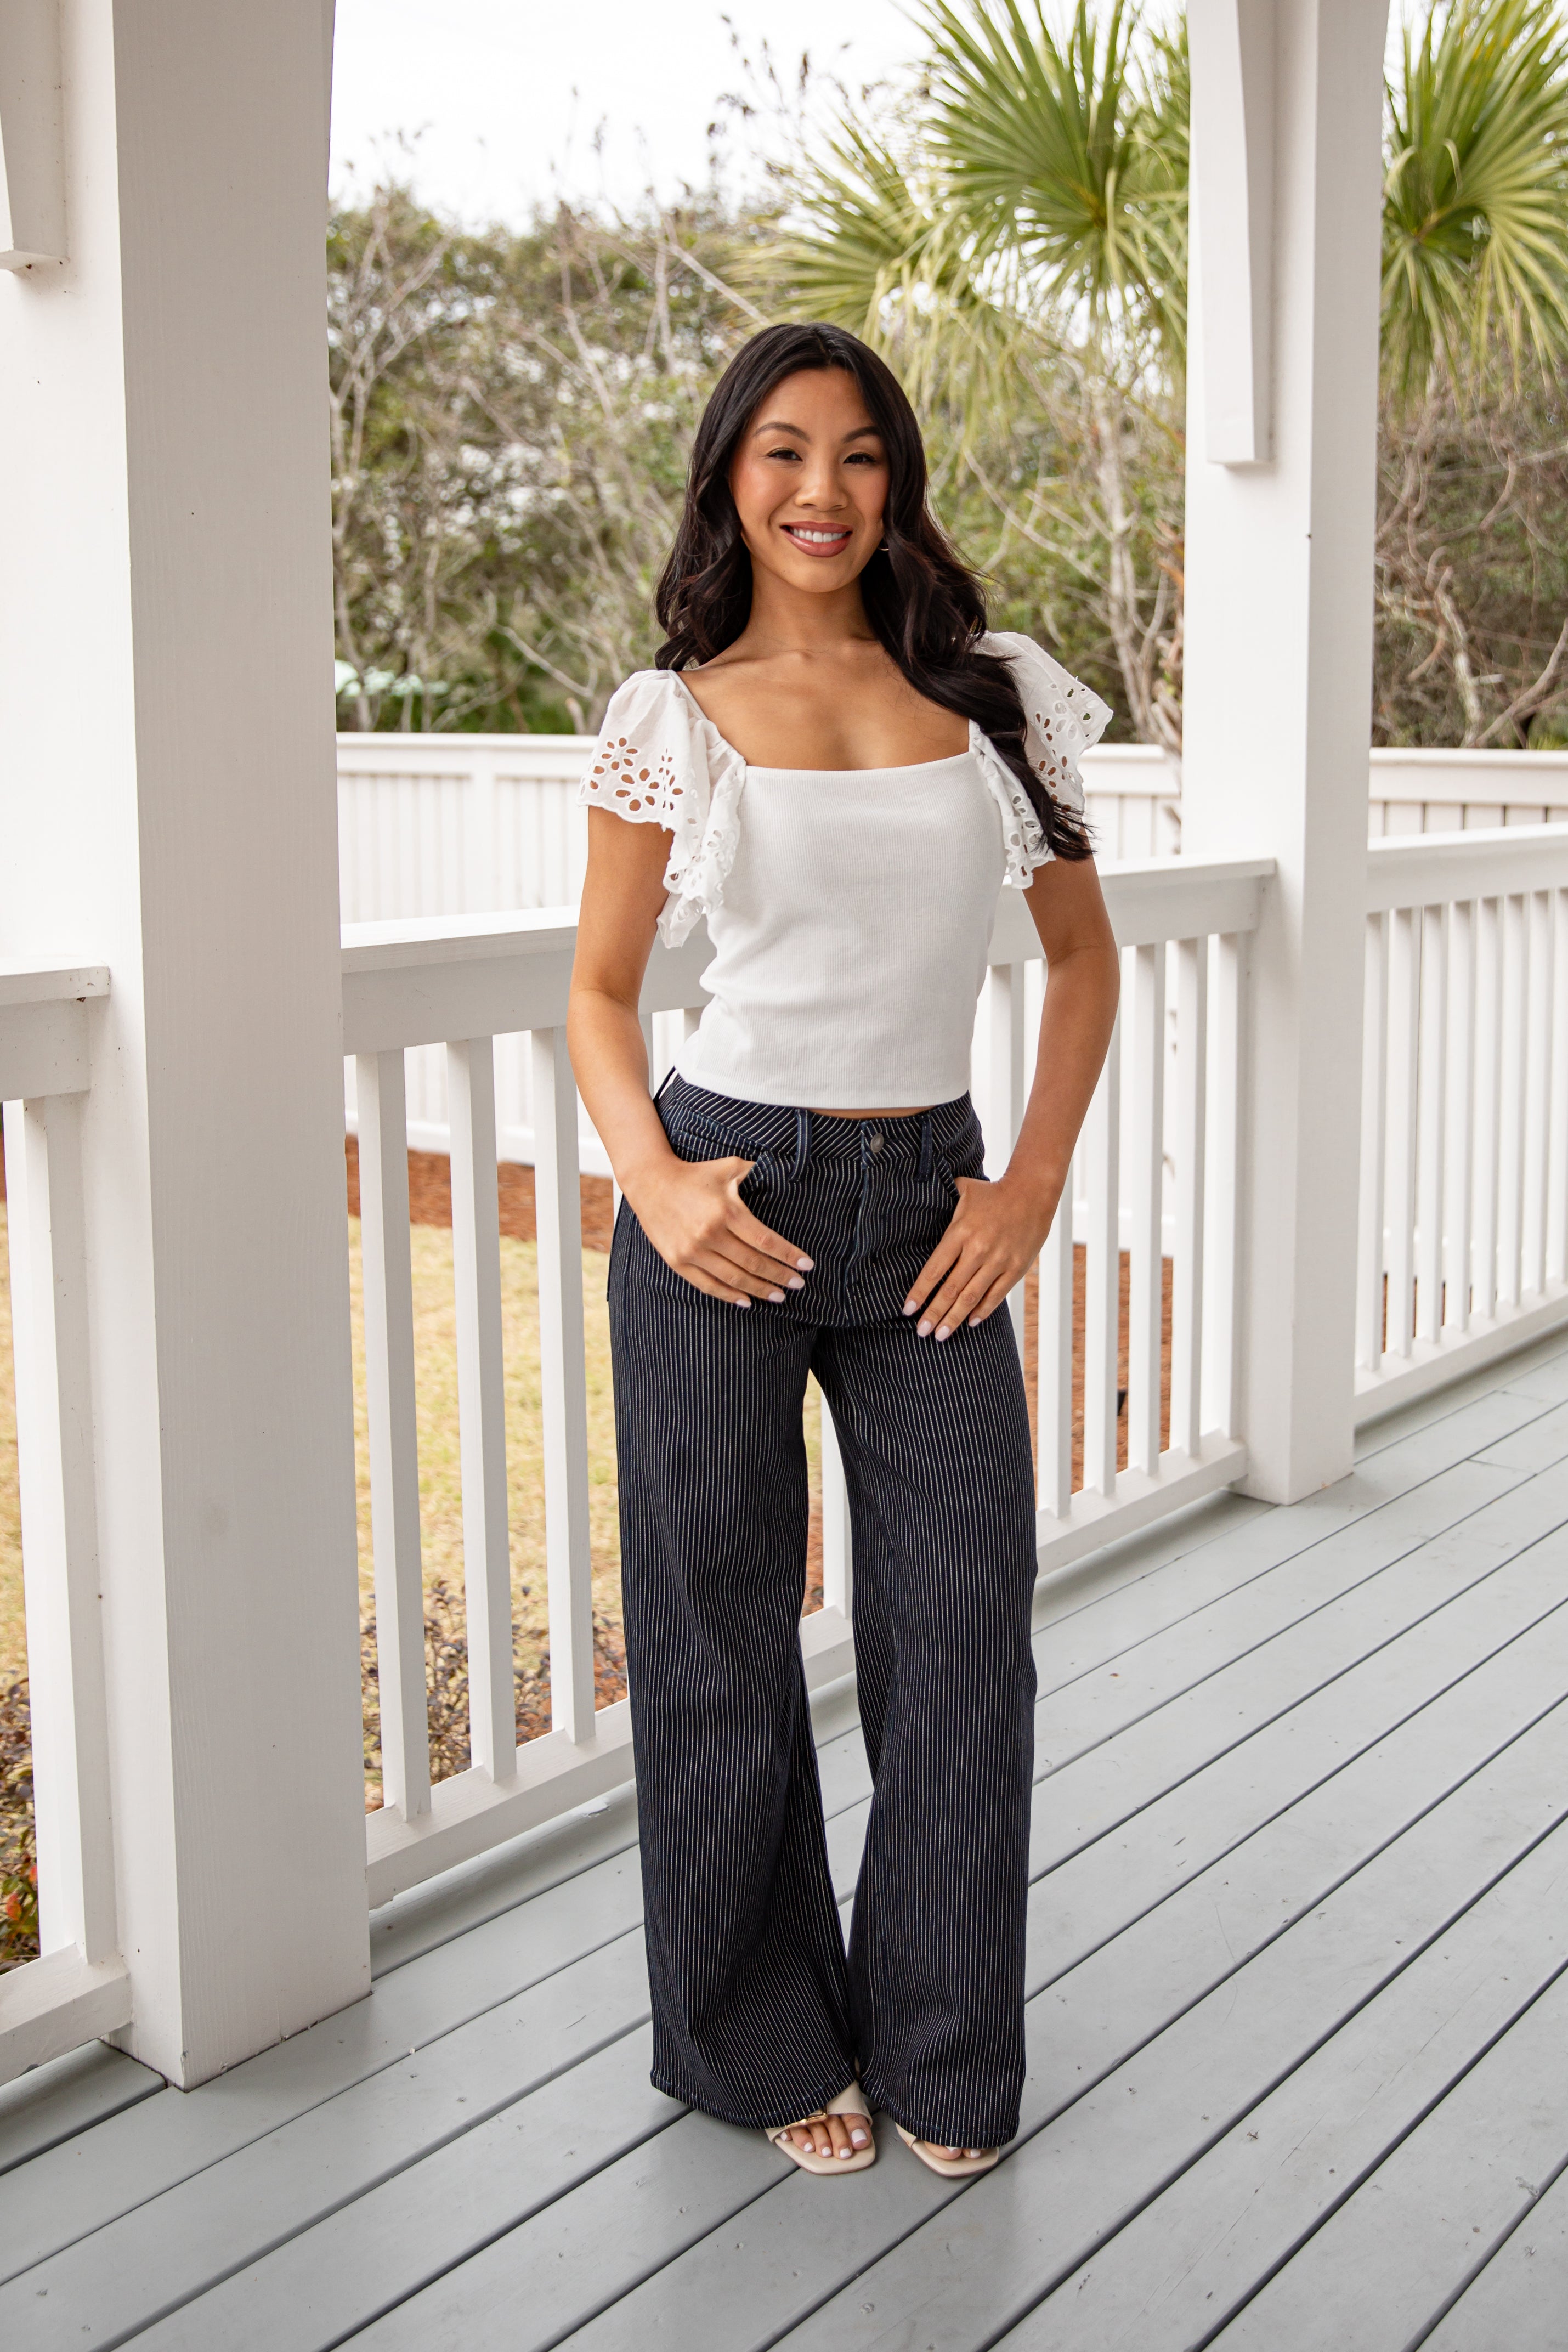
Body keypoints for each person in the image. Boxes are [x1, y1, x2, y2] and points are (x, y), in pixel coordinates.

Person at [566, 321, 1120, 2180]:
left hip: (933, 1209)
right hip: (727, 1196)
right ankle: (759, 2044)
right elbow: (594, 990)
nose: (824, 491)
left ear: (899, 481)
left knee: (963, 1639)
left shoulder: (990, 697)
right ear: (731, 475)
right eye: (785, 453)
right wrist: (652, 1178)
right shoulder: (672, 718)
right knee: (718, 1643)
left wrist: (1027, 1185)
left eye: (862, 454)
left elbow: (1083, 960)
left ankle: (949, 2059)